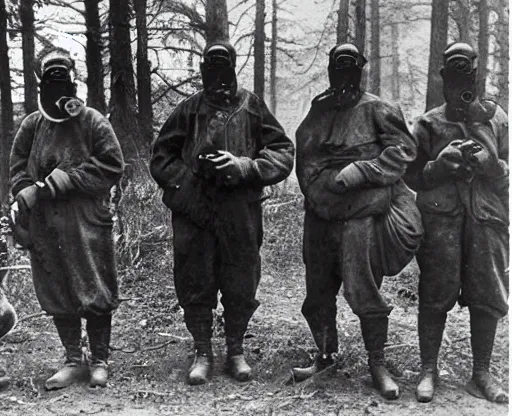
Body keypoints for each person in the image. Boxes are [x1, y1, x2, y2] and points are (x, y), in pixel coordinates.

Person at [150, 42, 294, 385]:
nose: (219, 80)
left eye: (224, 71)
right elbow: (161, 157)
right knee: (194, 279)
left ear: (233, 70)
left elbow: (283, 152)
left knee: (241, 278)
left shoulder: (252, 106)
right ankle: (202, 351)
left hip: (239, 209)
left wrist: (244, 167)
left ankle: (235, 350)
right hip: (194, 211)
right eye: (211, 72)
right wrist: (188, 182)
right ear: (203, 73)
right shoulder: (188, 110)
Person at [293, 43, 423, 399]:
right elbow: (304, 153)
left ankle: (377, 364)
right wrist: (318, 189)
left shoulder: (379, 108)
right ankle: (325, 355)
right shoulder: (320, 110)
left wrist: (364, 170)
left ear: (361, 70)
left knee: (362, 287)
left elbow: (404, 153)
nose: (344, 75)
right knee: (318, 289)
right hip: (321, 211)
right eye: (339, 67)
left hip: (362, 212)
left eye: (352, 67)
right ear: (331, 70)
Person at [9, 48, 124, 390]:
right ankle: (74, 359)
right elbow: (17, 172)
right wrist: (26, 193)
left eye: (64, 74)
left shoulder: (91, 121)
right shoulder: (33, 125)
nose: (58, 82)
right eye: (51, 75)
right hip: (46, 225)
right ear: (41, 82)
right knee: (57, 289)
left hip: (86, 220)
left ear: (74, 80)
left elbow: (111, 166)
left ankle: (100, 360)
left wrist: (54, 184)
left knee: (95, 287)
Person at [404, 42, 508, 404]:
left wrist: (492, 166)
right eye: (452, 76)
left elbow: (510, 174)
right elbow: (411, 174)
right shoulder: (429, 123)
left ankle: (481, 373)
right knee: (435, 291)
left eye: (466, 76)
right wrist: (438, 166)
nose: (459, 85)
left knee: (486, 294)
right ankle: (428, 369)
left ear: (476, 77)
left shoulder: (498, 120)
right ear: (444, 78)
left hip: (486, 219)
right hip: (441, 220)